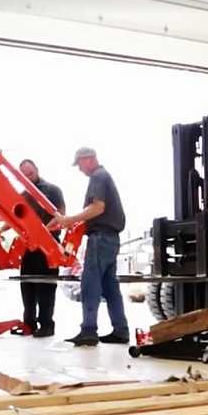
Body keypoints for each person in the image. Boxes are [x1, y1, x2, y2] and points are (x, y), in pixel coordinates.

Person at [47, 147, 128, 346]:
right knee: (110, 287)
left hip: (100, 238)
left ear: (89, 159)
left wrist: (69, 220)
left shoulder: (98, 177)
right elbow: (96, 210)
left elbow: (98, 207)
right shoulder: (104, 176)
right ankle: (121, 330)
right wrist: (69, 222)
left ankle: (89, 331)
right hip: (110, 238)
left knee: (90, 283)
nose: (80, 169)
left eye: (80, 164)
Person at [18, 159, 65, 338]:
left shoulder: (53, 190)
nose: (28, 176)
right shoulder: (23, 195)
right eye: (24, 174)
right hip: (29, 246)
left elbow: (61, 215)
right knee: (27, 285)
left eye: (30, 173)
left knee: (46, 286)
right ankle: (28, 324)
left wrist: (44, 232)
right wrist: (0, 228)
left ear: (36, 170)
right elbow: (16, 215)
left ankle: (46, 325)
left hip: (49, 245)